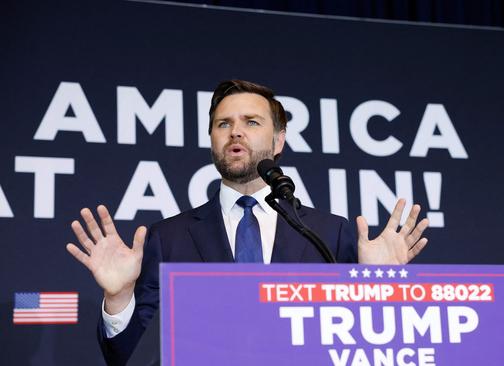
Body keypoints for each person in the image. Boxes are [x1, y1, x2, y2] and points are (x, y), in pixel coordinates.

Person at [66, 80, 429, 365]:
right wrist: (118, 298)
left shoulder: (328, 234)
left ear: (278, 140)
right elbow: (131, 357)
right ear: (212, 140)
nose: (235, 132)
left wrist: (384, 291)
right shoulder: (169, 238)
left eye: (251, 122)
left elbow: (367, 347)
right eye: (223, 124)